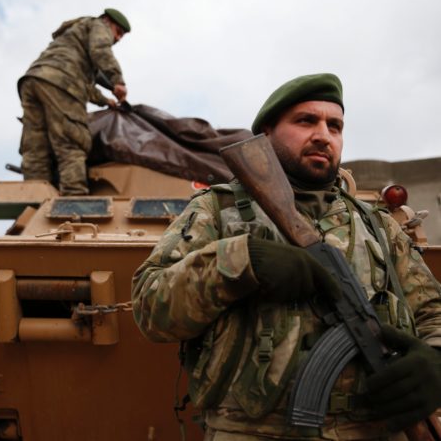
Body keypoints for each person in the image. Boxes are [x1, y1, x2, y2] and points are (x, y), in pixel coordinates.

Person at [131, 74, 441, 440]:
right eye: (306, 121)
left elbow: (431, 311)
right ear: (266, 135)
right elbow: (150, 308)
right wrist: (242, 261)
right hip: (254, 431)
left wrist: (434, 359)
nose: (323, 135)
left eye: (335, 126)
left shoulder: (378, 225)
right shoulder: (217, 210)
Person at [17, 8, 130, 195]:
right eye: (118, 32)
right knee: (71, 142)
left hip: (34, 80)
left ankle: (36, 200)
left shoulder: (73, 38)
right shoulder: (98, 25)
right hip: (61, 83)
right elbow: (100, 49)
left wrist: (105, 100)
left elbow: (81, 84)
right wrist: (117, 80)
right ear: (108, 21)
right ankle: (74, 201)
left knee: (36, 147)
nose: (117, 38)